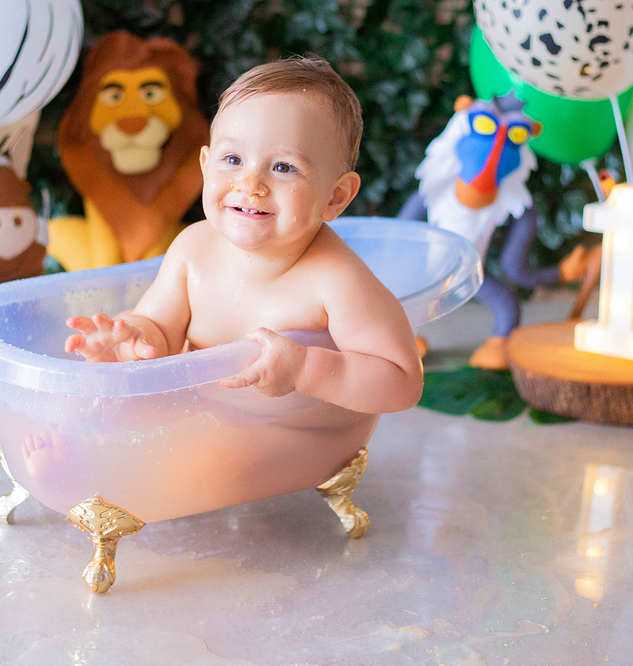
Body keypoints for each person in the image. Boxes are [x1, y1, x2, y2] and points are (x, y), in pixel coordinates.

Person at [63, 56, 423, 414]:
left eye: (284, 167)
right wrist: (134, 341)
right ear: (206, 167)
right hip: (202, 420)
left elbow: (402, 380)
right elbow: (159, 327)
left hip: (292, 436)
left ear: (336, 197)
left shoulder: (337, 282)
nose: (250, 184)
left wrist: (306, 369)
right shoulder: (193, 250)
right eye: (233, 160)